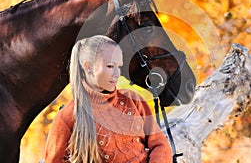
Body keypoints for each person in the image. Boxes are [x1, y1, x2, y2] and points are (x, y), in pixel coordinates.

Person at [44, 35, 172, 163]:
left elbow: (160, 145)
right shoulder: (66, 117)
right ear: (88, 67)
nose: (117, 74)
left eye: (119, 66)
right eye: (110, 66)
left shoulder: (133, 99)